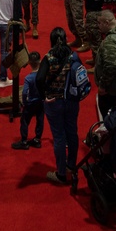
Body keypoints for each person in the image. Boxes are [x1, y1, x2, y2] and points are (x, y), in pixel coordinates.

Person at [36, 27, 82, 185]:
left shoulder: (48, 58)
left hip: (54, 102)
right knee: (72, 133)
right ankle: (71, 165)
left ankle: (61, 173)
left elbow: (39, 79)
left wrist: (45, 96)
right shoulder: (73, 56)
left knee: (59, 137)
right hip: (71, 100)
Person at [76, 0, 109, 68]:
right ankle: (95, 59)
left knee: (95, 40)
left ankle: (98, 66)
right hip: (101, 12)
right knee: (94, 39)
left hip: (92, 14)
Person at [11, 51, 44, 150]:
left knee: (25, 120)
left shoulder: (28, 78)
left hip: (31, 103)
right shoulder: (43, 75)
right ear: (40, 61)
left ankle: (24, 141)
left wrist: (25, 102)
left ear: (29, 62)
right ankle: (37, 139)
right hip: (41, 101)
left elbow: (25, 92)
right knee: (40, 119)